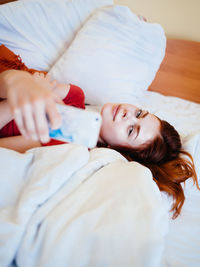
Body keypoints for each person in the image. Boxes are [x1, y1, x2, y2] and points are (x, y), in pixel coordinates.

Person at [0, 45, 199, 219]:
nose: (127, 114)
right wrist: (21, 84)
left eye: (131, 130)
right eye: (139, 113)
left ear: (116, 148)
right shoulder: (75, 95)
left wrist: (19, 98)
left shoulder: (65, 144)